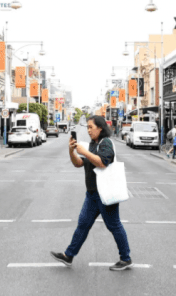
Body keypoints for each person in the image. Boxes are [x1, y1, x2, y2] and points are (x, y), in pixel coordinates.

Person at [51, 116, 132, 271]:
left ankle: (126, 258)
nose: (88, 130)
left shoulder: (106, 143)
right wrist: (72, 151)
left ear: (100, 128)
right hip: (92, 195)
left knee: (114, 225)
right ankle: (69, 255)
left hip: (104, 193)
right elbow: (78, 164)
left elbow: (102, 162)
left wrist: (85, 152)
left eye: (90, 127)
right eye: (87, 127)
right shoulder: (92, 145)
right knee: (83, 224)